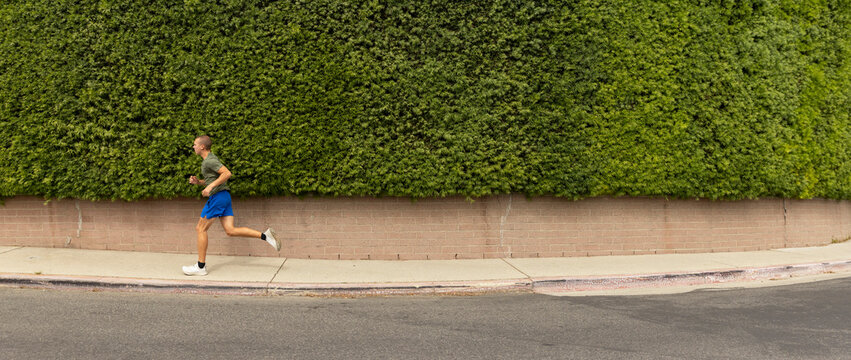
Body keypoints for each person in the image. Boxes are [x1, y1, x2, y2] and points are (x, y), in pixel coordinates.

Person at [182, 135, 280, 276]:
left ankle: (200, 267)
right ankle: (265, 236)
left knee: (200, 228)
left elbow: (227, 173)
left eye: (195, 144)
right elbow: (214, 179)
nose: (193, 147)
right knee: (230, 230)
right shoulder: (208, 161)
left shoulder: (210, 160)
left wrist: (210, 188)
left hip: (218, 198)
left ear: (202, 146)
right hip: (224, 197)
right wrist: (199, 182)